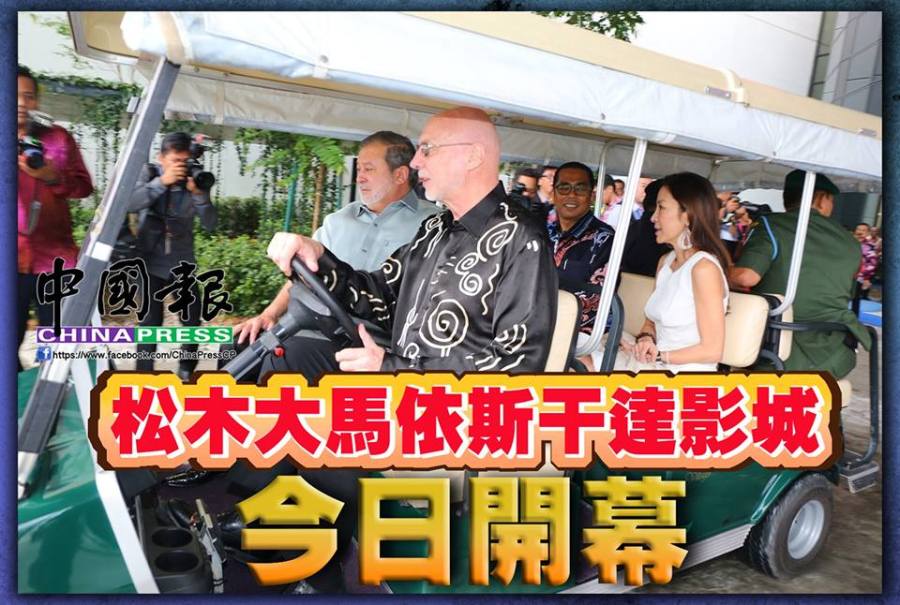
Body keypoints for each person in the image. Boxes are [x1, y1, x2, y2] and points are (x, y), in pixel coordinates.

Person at [227, 107, 558, 593]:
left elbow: (515, 368)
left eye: (427, 150)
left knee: (334, 424)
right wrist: (319, 257)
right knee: (291, 364)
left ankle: (308, 566)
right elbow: (378, 293)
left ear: (472, 156)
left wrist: (391, 368)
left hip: (457, 411)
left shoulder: (522, 240)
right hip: (397, 384)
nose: (417, 162)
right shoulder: (435, 230)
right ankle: (269, 523)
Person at [231, 130, 441, 373]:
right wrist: (268, 315)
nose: (359, 178)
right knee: (235, 344)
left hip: (374, 346)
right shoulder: (337, 220)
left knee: (287, 355)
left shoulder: (434, 226)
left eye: (369, 169)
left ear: (400, 175)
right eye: (358, 169)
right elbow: (305, 277)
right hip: (311, 328)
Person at [729, 170, 870, 378]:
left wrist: (719, 269)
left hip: (774, 354)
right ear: (821, 199)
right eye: (831, 200)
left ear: (786, 198)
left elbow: (746, 277)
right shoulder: (851, 242)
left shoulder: (771, 225)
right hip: (836, 355)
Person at [17, 65, 94, 371]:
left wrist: (52, 176)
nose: (21, 103)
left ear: (36, 101)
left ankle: (53, 394)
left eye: (28, 96)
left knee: (57, 343)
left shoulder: (58, 138)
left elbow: (84, 187)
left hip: (54, 260)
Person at [616, 172, 731, 373]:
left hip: (685, 375)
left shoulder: (704, 269)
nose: (653, 217)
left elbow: (712, 351)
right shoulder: (665, 262)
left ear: (687, 215)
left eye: (661, 208)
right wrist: (646, 339)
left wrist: (659, 355)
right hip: (656, 363)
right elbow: (650, 323)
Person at [128, 132, 217, 379]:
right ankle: (143, 376)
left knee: (192, 321)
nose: (181, 167)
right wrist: (162, 182)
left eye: (185, 161)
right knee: (150, 323)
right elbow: (129, 202)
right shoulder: (149, 174)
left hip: (181, 263)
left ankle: (186, 372)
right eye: (176, 161)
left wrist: (199, 195)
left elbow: (210, 223)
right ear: (161, 158)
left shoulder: (194, 179)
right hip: (149, 261)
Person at [545, 162, 614, 370]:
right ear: (554, 193)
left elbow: (596, 299)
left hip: (582, 330)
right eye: (564, 188)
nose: (571, 195)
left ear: (591, 196)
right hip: (538, 322)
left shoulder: (605, 239)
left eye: (580, 189)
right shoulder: (542, 233)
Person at [852, 223, 879, 316]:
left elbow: (872, 263)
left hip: (859, 277)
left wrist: (866, 277)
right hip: (845, 274)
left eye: (863, 230)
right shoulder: (849, 242)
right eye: (858, 229)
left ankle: (854, 317)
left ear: (867, 233)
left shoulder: (870, 245)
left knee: (855, 298)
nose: (860, 232)